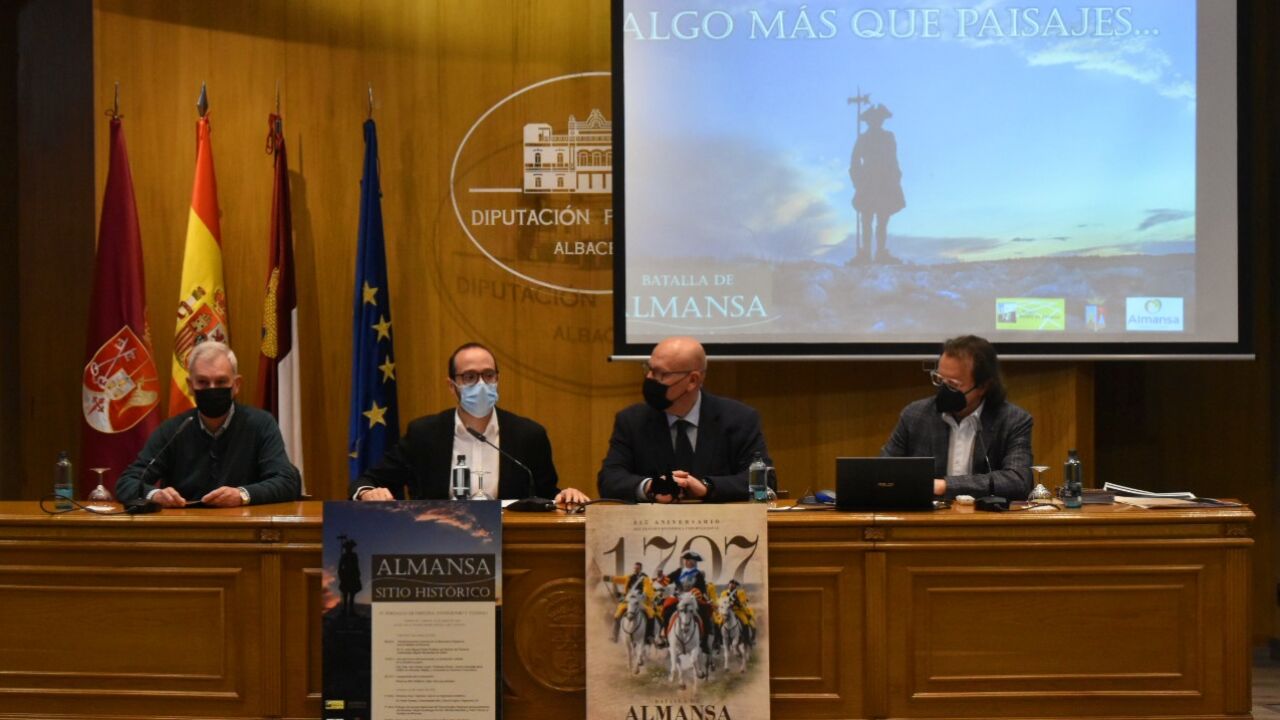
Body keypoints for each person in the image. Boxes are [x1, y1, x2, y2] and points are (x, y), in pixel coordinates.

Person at [352, 342, 589, 506]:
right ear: (452, 385)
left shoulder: (528, 435)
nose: (481, 384)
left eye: (488, 375)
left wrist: (565, 496)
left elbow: (546, 496)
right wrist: (368, 493)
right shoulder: (424, 434)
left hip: (509, 546)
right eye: (470, 377)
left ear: (497, 379)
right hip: (437, 544)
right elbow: (367, 481)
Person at [115, 341, 302, 506]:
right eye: (203, 382)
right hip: (186, 528)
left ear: (236, 385)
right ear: (190, 386)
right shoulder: (173, 430)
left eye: (221, 381)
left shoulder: (260, 424)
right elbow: (127, 483)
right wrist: (154, 495)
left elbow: (286, 481)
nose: (212, 389)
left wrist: (242, 495)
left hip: (243, 527)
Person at [597, 336, 773, 503]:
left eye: (660, 373)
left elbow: (765, 481)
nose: (649, 378)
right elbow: (609, 479)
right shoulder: (632, 421)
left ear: (692, 380)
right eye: (649, 369)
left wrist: (706, 487)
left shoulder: (739, 418)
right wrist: (651, 486)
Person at [881, 335, 1033, 499]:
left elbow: (1018, 481)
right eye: (940, 380)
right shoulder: (915, 415)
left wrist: (945, 486)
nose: (944, 390)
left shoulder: (1012, 420)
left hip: (982, 514)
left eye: (953, 384)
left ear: (983, 386)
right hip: (926, 513)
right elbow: (883, 472)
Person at [849, 103, 905, 264]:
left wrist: (896, 177)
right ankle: (866, 253)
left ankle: (880, 252)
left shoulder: (888, 137)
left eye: (879, 119)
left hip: (885, 181)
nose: (877, 122)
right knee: (866, 217)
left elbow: (893, 159)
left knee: (883, 217)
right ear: (869, 121)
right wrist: (858, 180)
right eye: (874, 119)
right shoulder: (863, 138)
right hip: (867, 182)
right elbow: (854, 162)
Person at [605, 561, 656, 643]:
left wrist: (644, 594)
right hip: (629, 600)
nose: (635, 570)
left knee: (651, 613)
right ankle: (614, 635)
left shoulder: (645, 578)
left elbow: (647, 588)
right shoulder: (629, 577)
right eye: (634, 568)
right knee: (617, 614)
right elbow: (619, 579)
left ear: (640, 569)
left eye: (637, 568)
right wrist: (608, 578)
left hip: (640, 601)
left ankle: (650, 635)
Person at [720, 578, 757, 646]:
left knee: (745, 622)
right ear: (728, 584)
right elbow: (721, 602)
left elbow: (743, 603)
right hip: (727, 611)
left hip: (738, 611)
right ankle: (720, 641)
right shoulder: (724, 593)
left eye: (733, 584)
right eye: (730, 583)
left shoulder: (740, 593)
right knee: (720, 622)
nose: (731, 585)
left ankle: (747, 640)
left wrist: (737, 602)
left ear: (736, 586)